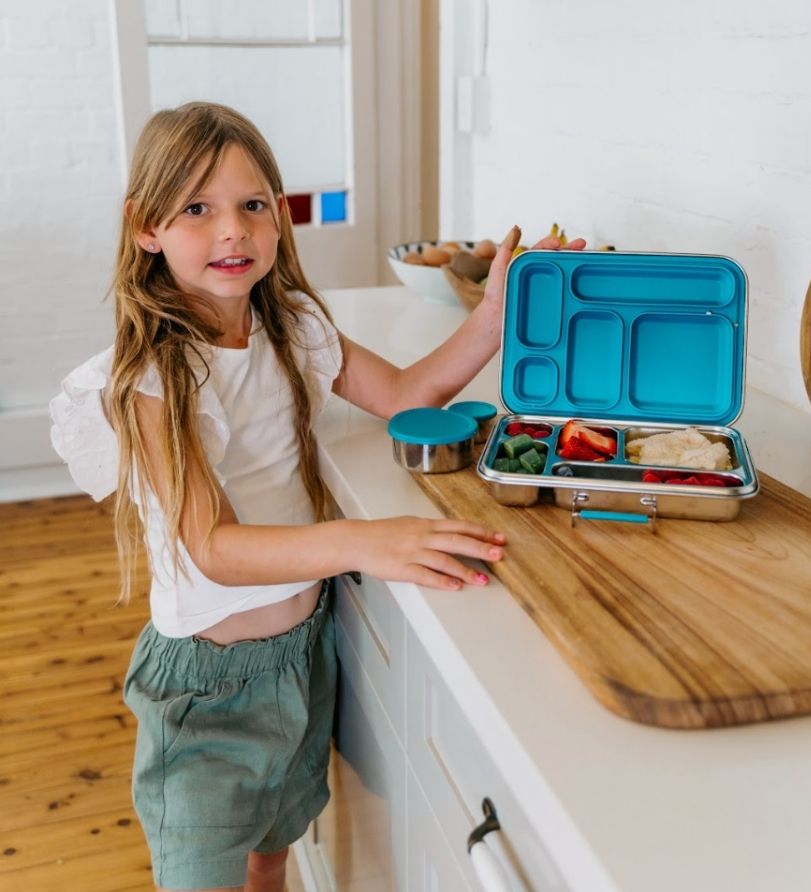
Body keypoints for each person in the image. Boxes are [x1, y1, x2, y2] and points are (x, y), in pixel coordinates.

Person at [49, 101, 584, 892]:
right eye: (197, 208)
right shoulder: (153, 379)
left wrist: (495, 316)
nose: (232, 230)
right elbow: (213, 548)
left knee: (276, 852)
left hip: (303, 659)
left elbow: (405, 392)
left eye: (253, 205)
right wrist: (368, 541)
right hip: (206, 692)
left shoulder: (292, 325)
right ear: (146, 227)